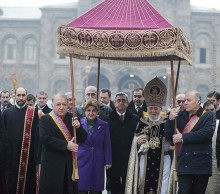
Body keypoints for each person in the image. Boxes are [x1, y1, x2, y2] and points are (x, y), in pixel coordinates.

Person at [165, 90, 215, 194]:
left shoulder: (208, 116)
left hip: (201, 164)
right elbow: (170, 137)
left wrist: (183, 137)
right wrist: (170, 119)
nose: (185, 103)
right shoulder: (179, 116)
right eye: (184, 100)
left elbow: (206, 134)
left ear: (198, 102)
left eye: (188, 100)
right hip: (184, 164)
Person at [126, 77, 170, 194]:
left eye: (156, 108)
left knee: (163, 184)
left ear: (160, 109)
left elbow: (172, 139)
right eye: (151, 108)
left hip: (164, 158)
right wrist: (138, 141)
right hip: (145, 157)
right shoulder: (142, 122)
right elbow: (134, 140)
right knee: (142, 181)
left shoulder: (167, 123)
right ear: (147, 108)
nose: (153, 111)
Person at [38, 93, 87, 194]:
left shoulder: (73, 117)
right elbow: (46, 138)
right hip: (52, 164)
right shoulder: (46, 119)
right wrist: (66, 145)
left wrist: (78, 127)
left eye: (64, 104)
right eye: (58, 104)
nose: (61, 107)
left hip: (69, 165)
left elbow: (83, 138)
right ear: (52, 105)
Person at [2, 87, 39, 194]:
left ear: (27, 96)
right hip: (11, 155)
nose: (21, 98)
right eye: (19, 95)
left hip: (28, 157)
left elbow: (37, 136)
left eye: (23, 95)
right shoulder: (7, 113)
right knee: (11, 183)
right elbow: (3, 135)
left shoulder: (34, 113)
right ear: (15, 96)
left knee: (29, 184)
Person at [107, 92, 139, 194]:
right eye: (118, 100)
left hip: (129, 157)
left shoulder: (135, 119)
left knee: (128, 186)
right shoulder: (107, 119)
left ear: (128, 103)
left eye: (123, 100)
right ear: (114, 103)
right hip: (113, 158)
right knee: (114, 186)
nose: (121, 103)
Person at [77, 99, 112, 194]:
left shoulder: (104, 125)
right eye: (88, 110)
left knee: (96, 189)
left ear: (97, 112)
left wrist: (108, 161)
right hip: (82, 160)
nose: (91, 113)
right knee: (82, 188)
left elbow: (107, 143)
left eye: (93, 110)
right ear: (84, 111)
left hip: (98, 160)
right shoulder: (79, 124)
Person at [202, 100, 220, 194]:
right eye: (207, 110)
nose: (210, 113)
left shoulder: (219, 124)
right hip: (202, 163)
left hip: (215, 162)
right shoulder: (199, 124)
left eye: (212, 110)